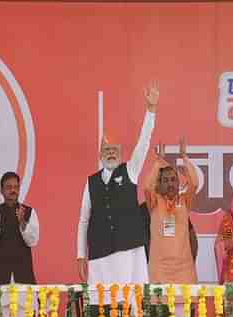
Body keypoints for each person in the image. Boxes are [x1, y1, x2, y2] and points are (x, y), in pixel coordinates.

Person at [76, 83, 159, 290]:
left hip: (128, 250)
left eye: (114, 149)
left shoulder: (129, 171)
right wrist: (80, 255)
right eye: (107, 150)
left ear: (120, 153)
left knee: (133, 301)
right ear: (100, 155)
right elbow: (84, 220)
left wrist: (150, 111)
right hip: (99, 254)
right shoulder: (91, 182)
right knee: (101, 305)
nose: (111, 153)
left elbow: (144, 143)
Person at [144, 139, 201, 283]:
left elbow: (194, 183)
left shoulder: (184, 201)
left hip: (184, 269)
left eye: (173, 179)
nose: (170, 183)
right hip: (160, 269)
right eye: (166, 180)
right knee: (159, 306)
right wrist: (158, 161)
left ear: (178, 182)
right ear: (160, 183)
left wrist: (184, 157)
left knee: (185, 305)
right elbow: (147, 187)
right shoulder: (154, 202)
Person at [0, 171, 39, 284]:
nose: (13, 190)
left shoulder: (29, 212)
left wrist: (23, 223)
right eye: (9, 187)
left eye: (16, 187)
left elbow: (33, 242)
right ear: (1, 190)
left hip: (23, 275)